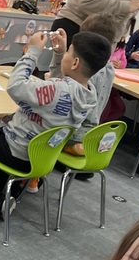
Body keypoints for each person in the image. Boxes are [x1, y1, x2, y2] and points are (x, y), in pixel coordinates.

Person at [0, 28, 111, 215]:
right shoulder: (88, 94)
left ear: (75, 62)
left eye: (69, 51)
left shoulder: (58, 89)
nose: (66, 54)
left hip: (16, 150)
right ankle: (13, 190)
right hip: (41, 157)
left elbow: (16, 87)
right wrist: (59, 54)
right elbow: (60, 89)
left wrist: (32, 53)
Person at [49, 12, 123, 157]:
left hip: (70, 132)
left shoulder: (82, 69)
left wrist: (59, 57)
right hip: (90, 133)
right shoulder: (108, 68)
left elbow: (57, 91)